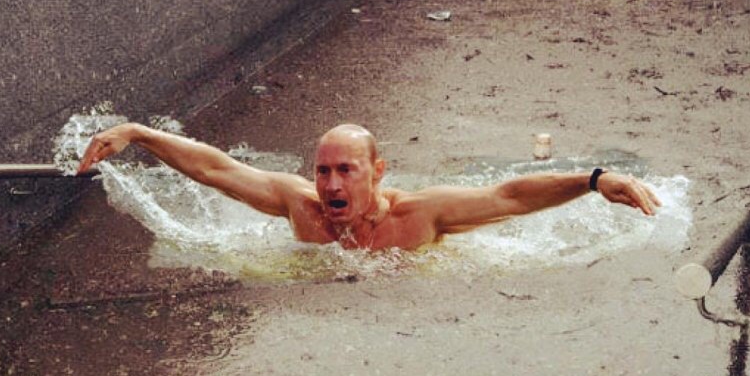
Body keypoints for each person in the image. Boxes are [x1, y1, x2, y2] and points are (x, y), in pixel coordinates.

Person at [76, 122, 662, 251]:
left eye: (345, 170)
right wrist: (138, 134)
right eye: (322, 170)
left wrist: (593, 180)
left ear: (378, 172)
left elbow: (508, 197)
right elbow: (218, 170)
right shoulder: (301, 208)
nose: (330, 184)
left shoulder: (420, 215)